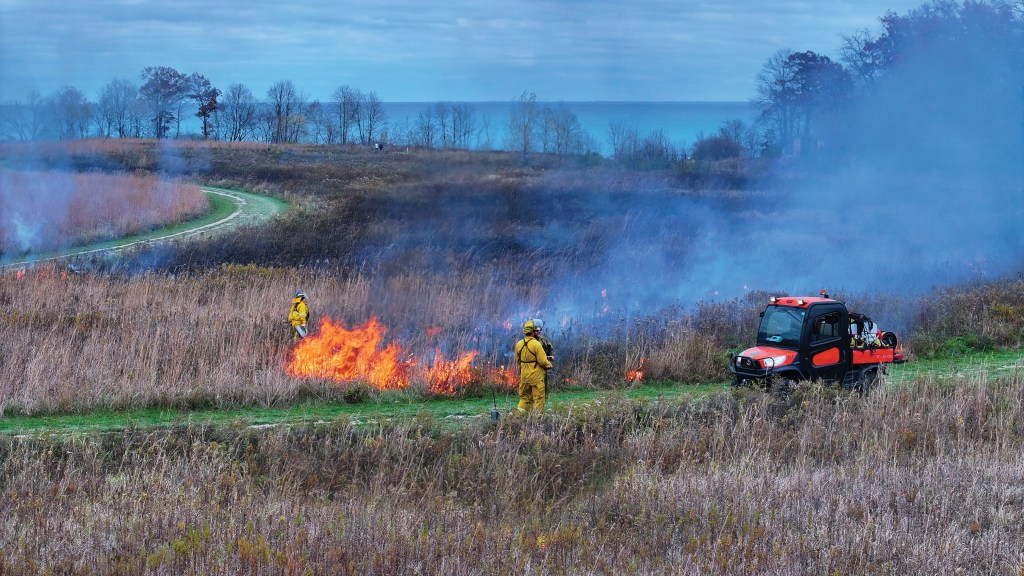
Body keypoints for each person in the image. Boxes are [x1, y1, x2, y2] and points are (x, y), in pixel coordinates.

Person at [515, 320, 553, 412]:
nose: (539, 331)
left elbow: (518, 360)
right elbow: (543, 361)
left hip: (524, 376)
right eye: (537, 330)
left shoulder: (519, 344)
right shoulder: (537, 344)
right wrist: (549, 365)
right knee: (539, 398)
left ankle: (520, 417)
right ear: (533, 331)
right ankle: (536, 421)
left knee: (524, 398)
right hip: (536, 377)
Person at [532, 318, 555, 387]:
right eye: (537, 330)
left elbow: (551, 350)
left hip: (542, 369)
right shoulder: (528, 342)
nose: (539, 332)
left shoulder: (544, 340)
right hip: (532, 369)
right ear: (532, 332)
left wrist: (551, 357)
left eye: (540, 330)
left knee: (542, 388)